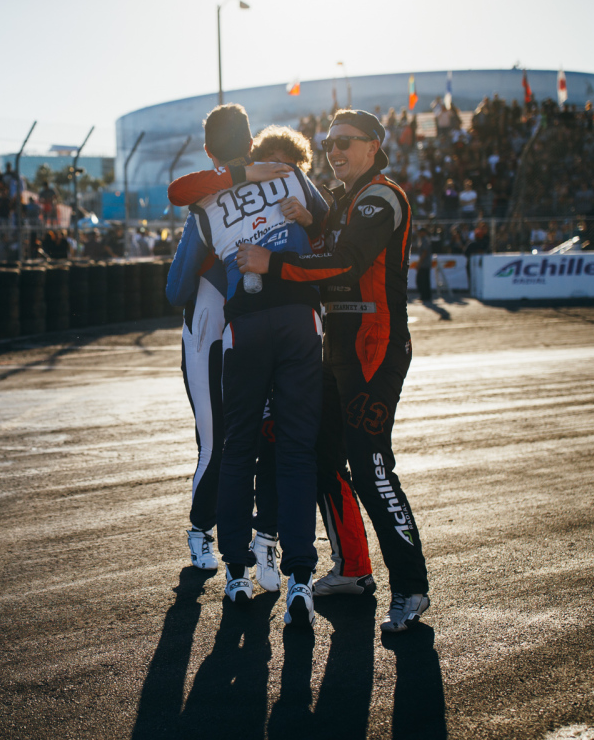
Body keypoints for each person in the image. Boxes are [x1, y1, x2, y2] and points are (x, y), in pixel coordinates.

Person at [235, 109, 431, 633]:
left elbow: (345, 263)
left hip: (376, 352)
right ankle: (354, 570)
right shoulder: (342, 202)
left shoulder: (379, 196)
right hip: (335, 352)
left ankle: (411, 588)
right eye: (328, 143)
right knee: (319, 459)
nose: (335, 151)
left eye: (346, 142)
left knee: (371, 467)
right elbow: (328, 250)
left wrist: (269, 263)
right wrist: (309, 222)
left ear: (373, 147)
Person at [166, 105, 328, 628]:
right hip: (280, 326)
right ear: (251, 140)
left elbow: (174, 286)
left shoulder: (208, 201)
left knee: (233, 444)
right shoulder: (286, 178)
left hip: (237, 330)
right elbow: (324, 217)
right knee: (284, 446)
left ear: (209, 149)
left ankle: (241, 556)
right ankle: (279, 562)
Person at [415, 226, 433, 302]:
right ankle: (426, 296)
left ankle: (425, 296)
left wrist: (419, 263)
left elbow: (424, 252)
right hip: (425, 263)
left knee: (422, 280)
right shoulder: (423, 239)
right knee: (425, 280)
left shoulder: (424, 240)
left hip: (424, 264)